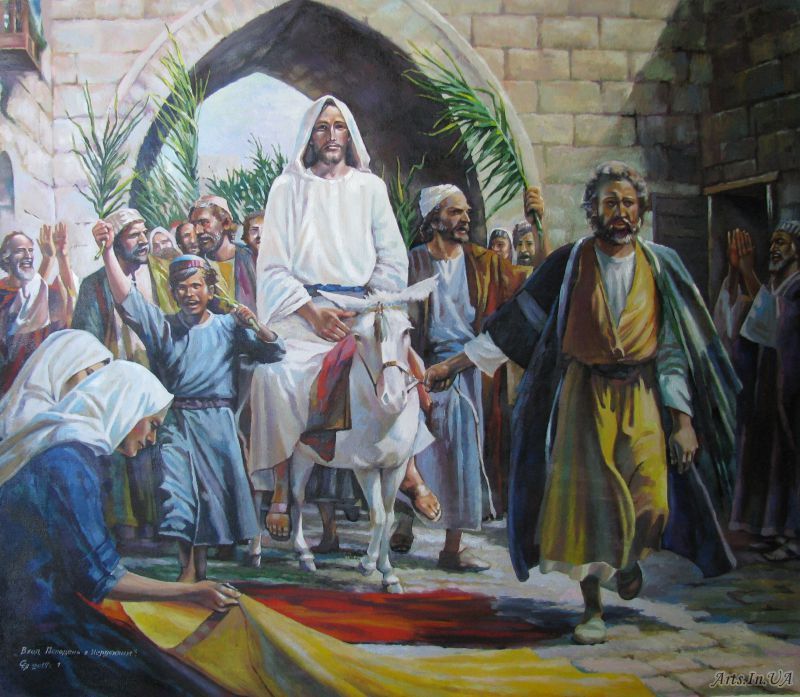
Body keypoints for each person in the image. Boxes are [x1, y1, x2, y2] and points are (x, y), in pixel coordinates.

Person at [424, 161, 739, 644]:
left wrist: (682, 420)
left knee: (653, 503)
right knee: (587, 510)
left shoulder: (660, 266)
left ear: (641, 210)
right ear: (593, 210)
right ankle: (592, 609)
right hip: (583, 397)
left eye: (628, 203)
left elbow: (674, 349)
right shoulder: (570, 264)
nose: (620, 212)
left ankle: (628, 560)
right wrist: (452, 366)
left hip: (642, 395)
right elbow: (513, 329)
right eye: (610, 203)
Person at [0, 360, 239, 696]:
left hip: (37, 606)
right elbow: (100, 577)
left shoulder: (69, 450)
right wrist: (193, 592)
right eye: (152, 425)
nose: (152, 439)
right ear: (128, 408)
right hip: (32, 621)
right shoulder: (68, 463)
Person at [250, 95, 424, 543]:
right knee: (273, 377)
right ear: (310, 137)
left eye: (339, 126)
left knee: (402, 368)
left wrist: (366, 306)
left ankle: (409, 470)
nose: (331, 136)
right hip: (303, 313)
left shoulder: (370, 188)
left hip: (363, 310)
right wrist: (312, 311)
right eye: (322, 128)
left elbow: (392, 258)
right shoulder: (286, 188)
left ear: (349, 135)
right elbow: (272, 266)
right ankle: (282, 485)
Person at [97, 216, 285, 581]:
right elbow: (127, 300)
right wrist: (107, 251)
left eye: (196, 286)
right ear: (173, 292)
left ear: (210, 290)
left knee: (210, 502)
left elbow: (274, 352)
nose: (189, 293)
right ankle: (187, 571)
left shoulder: (228, 327)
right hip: (177, 425)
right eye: (181, 287)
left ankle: (198, 572)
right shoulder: (163, 327)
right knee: (178, 496)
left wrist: (254, 323)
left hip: (217, 426)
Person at [391, 185, 533, 567]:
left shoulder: (483, 262)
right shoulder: (412, 262)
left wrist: (537, 227)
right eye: (455, 212)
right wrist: (414, 368)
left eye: (466, 212)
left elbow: (528, 282)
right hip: (418, 365)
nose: (465, 219)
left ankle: (452, 548)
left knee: (460, 454)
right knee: (413, 445)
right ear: (433, 218)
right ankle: (403, 522)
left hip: (467, 370)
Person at [75, 208, 177, 539]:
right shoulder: (94, 285)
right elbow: (86, 340)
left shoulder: (159, 279)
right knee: (118, 453)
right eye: (134, 235)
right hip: (114, 381)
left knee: (152, 450)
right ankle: (124, 525)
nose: (143, 240)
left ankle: (155, 523)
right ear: (116, 243)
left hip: (153, 378)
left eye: (144, 233)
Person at [722, 221, 800, 561]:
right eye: (772, 242)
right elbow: (746, 325)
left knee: (791, 461)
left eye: (781, 242)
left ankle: (794, 535)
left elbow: (777, 326)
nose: (773, 249)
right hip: (770, 387)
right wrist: (737, 274)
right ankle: (775, 530)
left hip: (792, 390)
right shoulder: (775, 286)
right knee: (771, 458)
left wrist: (748, 273)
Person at [0, 224, 75, 393]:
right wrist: (48, 260)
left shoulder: (43, 290)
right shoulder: (3, 294)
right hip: (11, 383)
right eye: (20, 251)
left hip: (43, 381)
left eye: (30, 250)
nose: (28, 256)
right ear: (6, 258)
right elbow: (24, 312)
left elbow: (71, 299)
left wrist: (62, 256)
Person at [0, 329, 112, 439]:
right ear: (64, 366)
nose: (91, 385)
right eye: (89, 374)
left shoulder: (67, 415)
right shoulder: (28, 412)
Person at [190, 195, 257, 311]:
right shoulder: (196, 266)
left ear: (226, 223)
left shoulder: (252, 259)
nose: (198, 231)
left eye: (204, 222)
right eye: (194, 225)